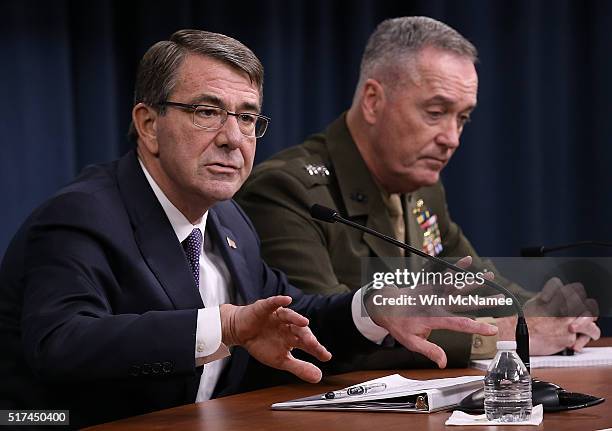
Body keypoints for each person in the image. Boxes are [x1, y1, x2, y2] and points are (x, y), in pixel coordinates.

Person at [0, 29, 498, 428]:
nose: (233, 139)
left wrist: (368, 307)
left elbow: (284, 313)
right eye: (207, 112)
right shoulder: (82, 216)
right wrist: (226, 326)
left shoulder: (228, 219)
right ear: (149, 125)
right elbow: (60, 345)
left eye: (247, 117)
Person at [237, 16, 600, 368]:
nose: (452, 138)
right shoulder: (287, 190)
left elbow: (475, 280)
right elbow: (318, 332)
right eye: (436, 112)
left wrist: (544, 314)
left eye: (462, 118)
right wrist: (507, 334)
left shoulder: (422, 189)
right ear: (373, 101)